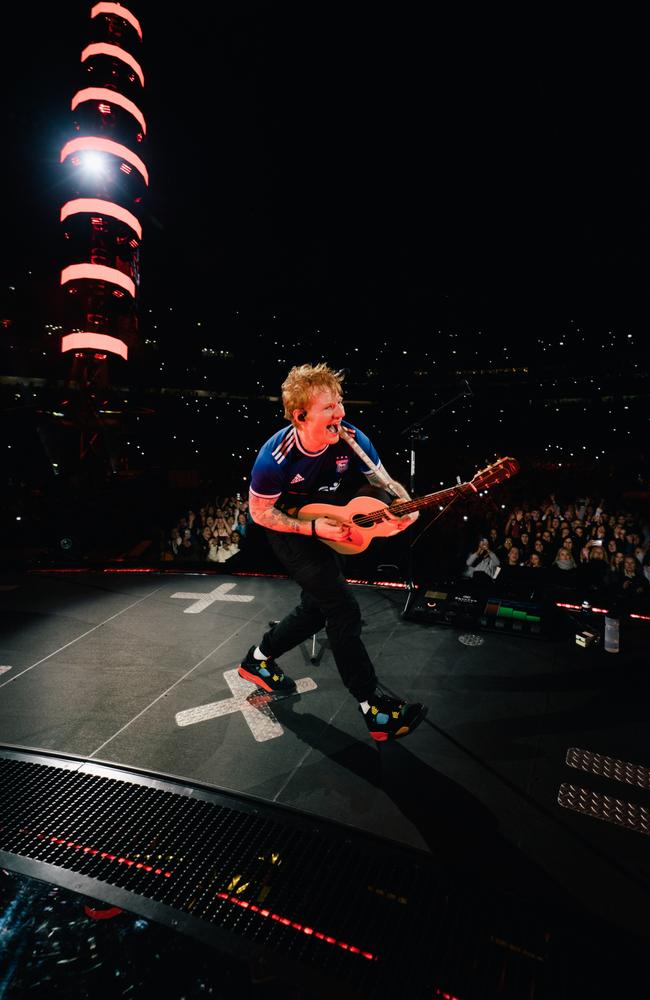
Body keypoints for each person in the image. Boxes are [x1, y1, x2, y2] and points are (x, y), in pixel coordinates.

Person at [237, 362, 426, 742]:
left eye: (340, 403)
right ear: (300, 415)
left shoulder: (352, 438)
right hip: (290, 528)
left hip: (328, 520)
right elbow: (260, 514)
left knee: (316, 609)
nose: (340, 414)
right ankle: (372, 707)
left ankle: (257, 661)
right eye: (329, 408)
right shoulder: (275, 458)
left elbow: (384, 482)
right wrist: (310, 528)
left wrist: (406, 507)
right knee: (341, 607)